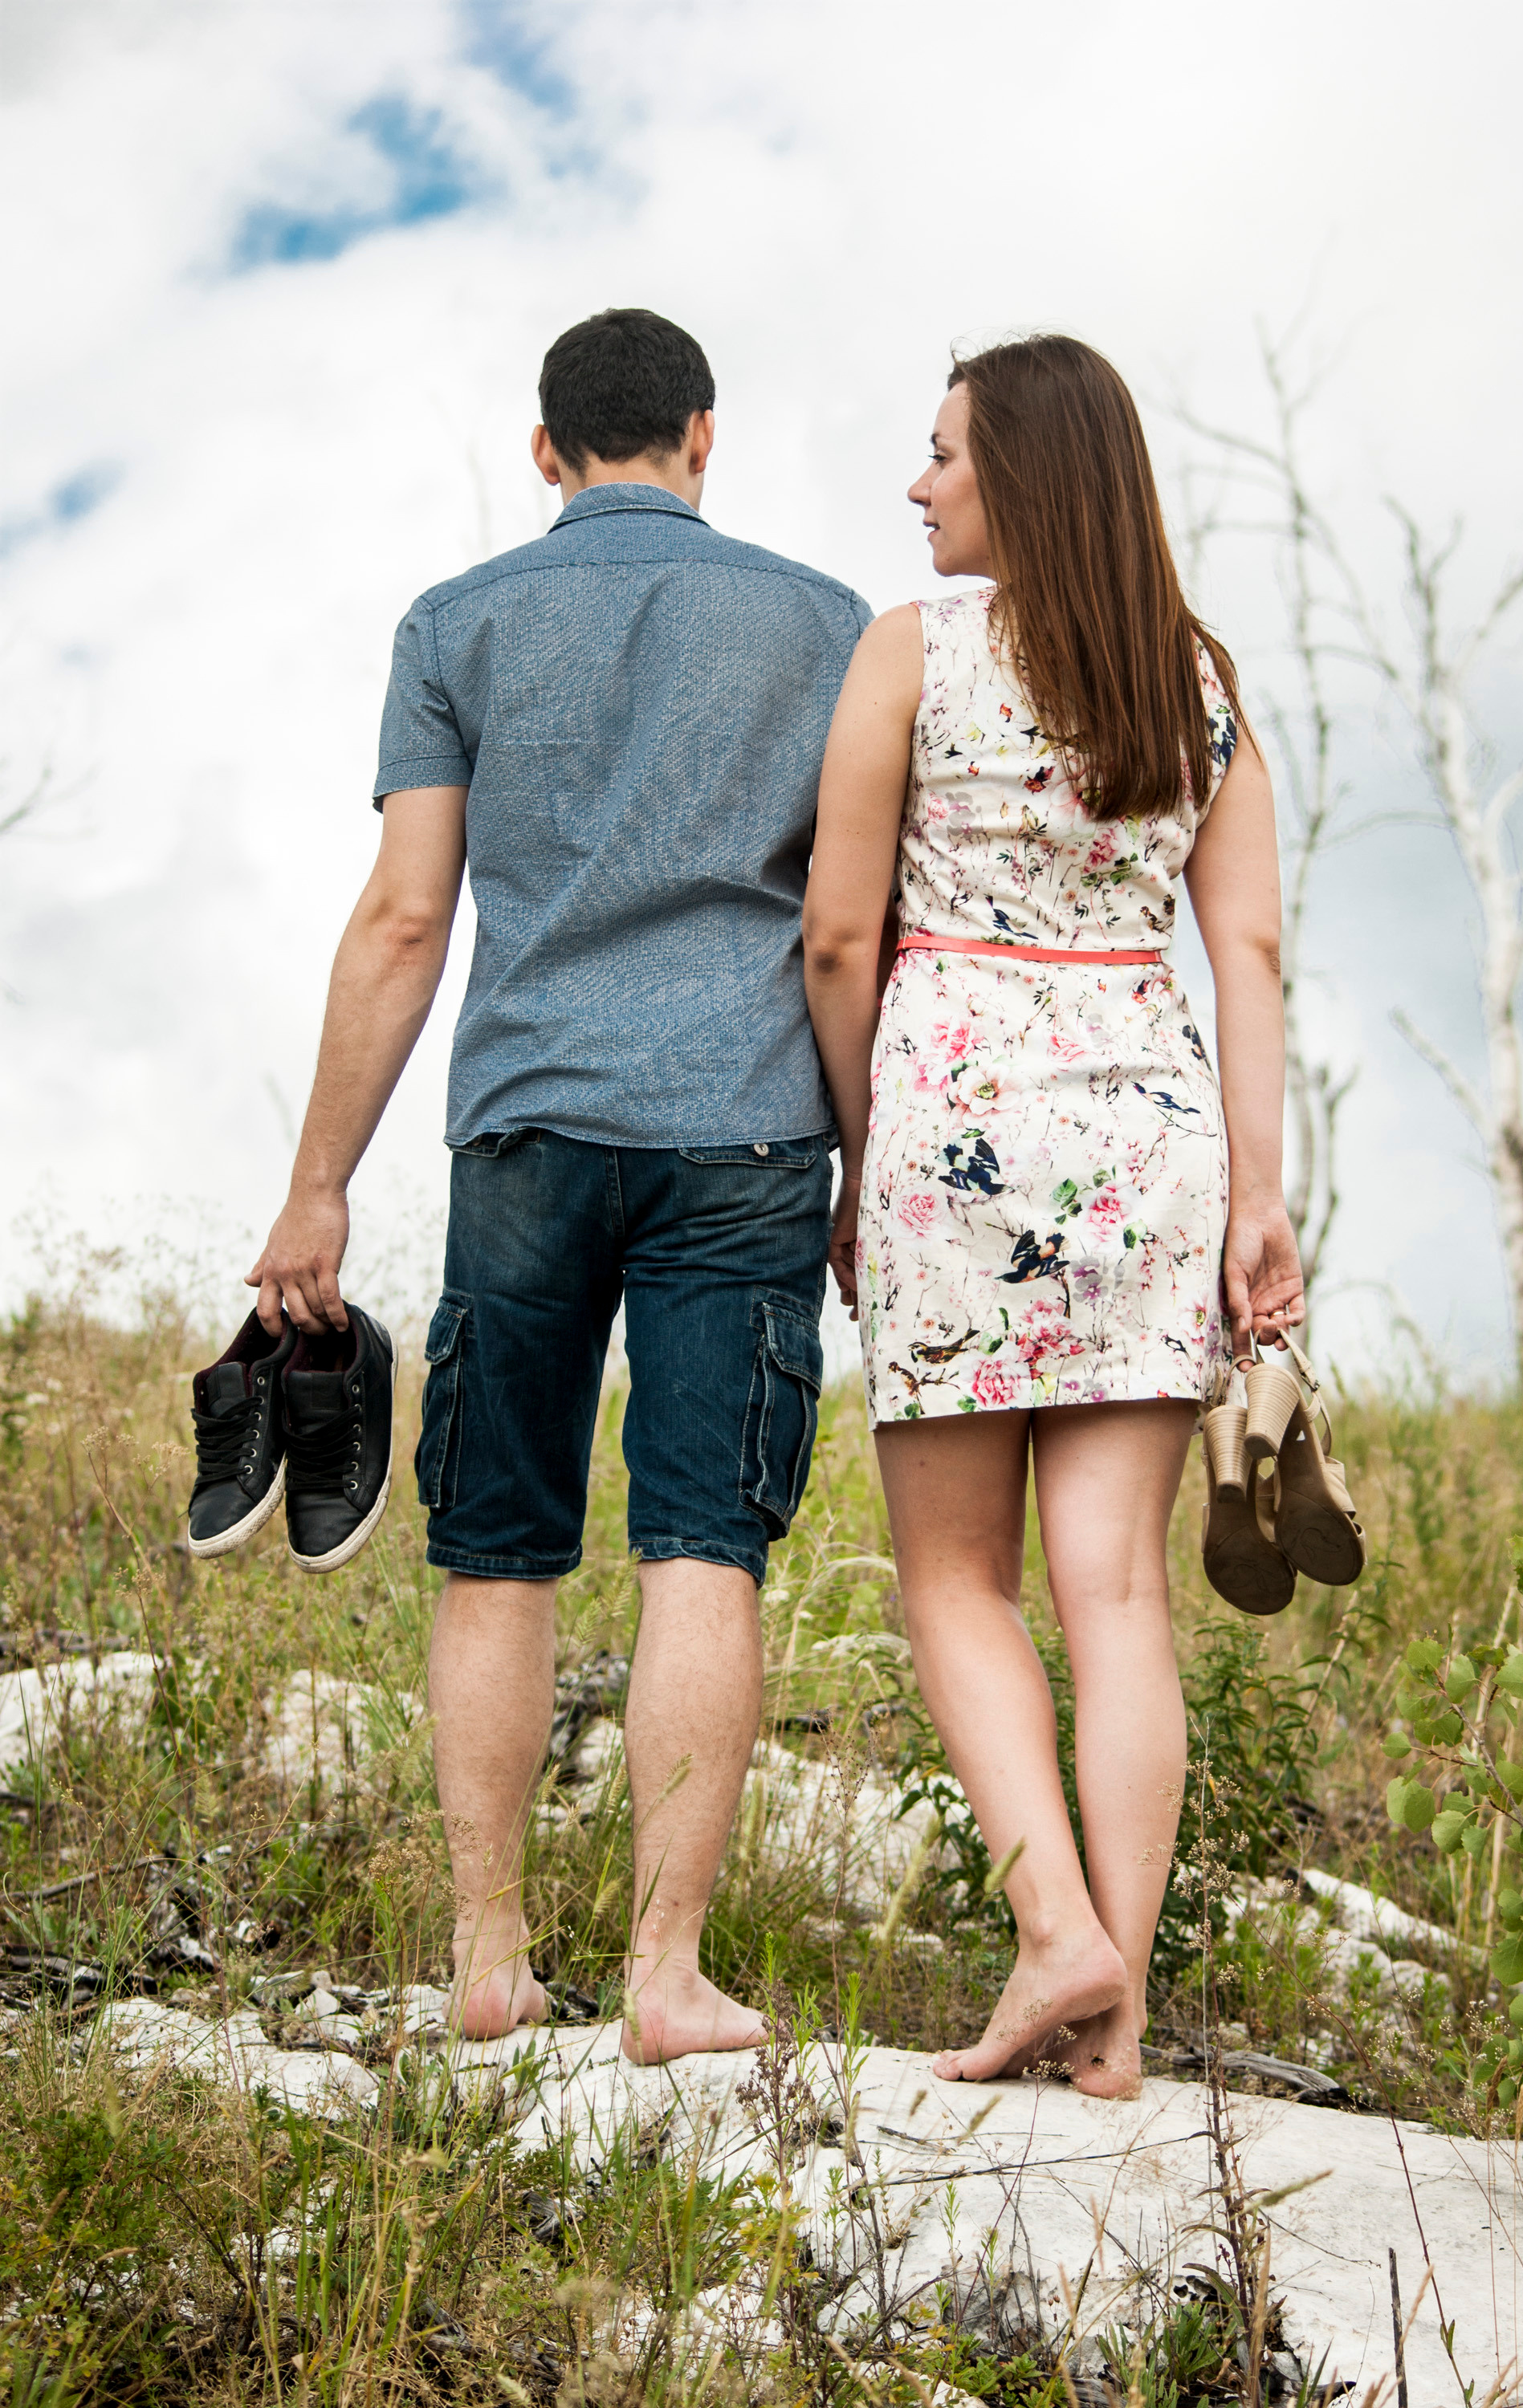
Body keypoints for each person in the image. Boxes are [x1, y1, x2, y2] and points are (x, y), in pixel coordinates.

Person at [248, 307, 871, 2059]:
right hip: (748, 1127)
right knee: (703, 1552)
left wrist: (320, 1185)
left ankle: (489, 1956)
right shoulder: (828, 625)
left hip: (526, 1125)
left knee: (497, 1550)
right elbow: (851, 919)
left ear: (546, 450)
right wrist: (860, 1150)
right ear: (702, 433)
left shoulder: (457, 624)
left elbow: (403, 916)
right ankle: (668, 1978)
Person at [802, 335, 1303, 2096]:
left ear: (1019, 469)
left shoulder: (910, 655)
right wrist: (1263, 1192)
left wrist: (868, 1161)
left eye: (942, 452)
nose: (921, 483)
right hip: (1155, 1142)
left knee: (954, 1575)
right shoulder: (1200, 678)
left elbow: (840, 939)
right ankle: (1122, 2021)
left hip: (955, 1132)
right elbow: (1243, 951)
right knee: (1120, 1600)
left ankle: (1052, 1933)